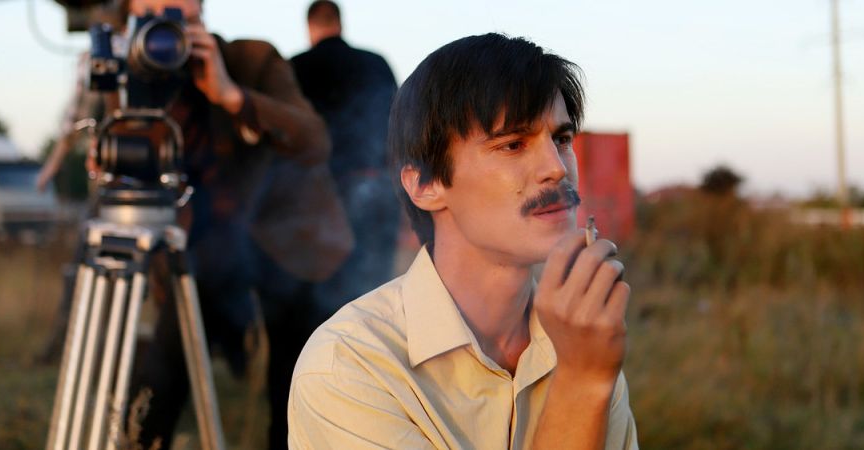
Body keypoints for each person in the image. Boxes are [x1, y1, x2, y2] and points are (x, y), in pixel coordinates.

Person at [288, 33, 638, 449]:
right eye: (513, 144)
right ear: (425, 185)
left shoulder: (578, 340)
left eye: (561, 139)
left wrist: (586, 371)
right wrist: (580, 382)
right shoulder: (348, 366)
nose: (557, 168)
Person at [112, 0, 344, 449]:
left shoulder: (251, 60)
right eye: (151, 19)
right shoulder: (129, 77)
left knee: (296, 380)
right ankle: (140, 440)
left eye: (179, 18)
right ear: (129, 25)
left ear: (201, 16)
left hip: (286, 243)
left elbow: (315, 140)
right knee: (166, 361)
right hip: (200, 252)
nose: (166, 35)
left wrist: (232, 96)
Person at [291, 0, 399, 315]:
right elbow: (398, 126)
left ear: (310, 28)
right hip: (377, 192)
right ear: (339, 24)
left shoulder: (296, 68)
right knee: (374, 294)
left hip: (319, 199)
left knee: (321, 303)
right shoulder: (376, 63)